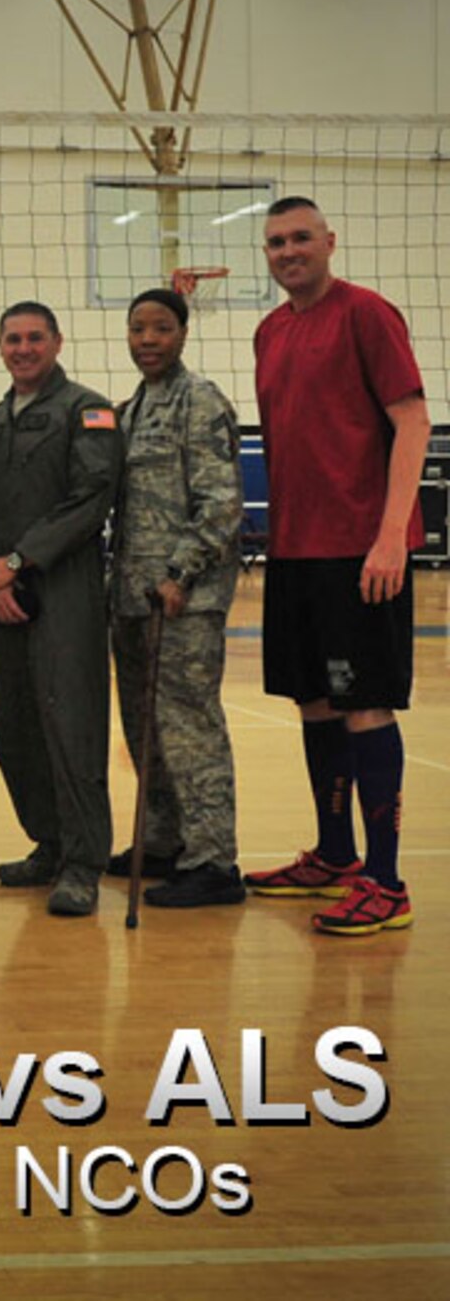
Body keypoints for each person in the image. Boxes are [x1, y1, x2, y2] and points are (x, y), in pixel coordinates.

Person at [242, 197, 428, 935]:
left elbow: (411, 418)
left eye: (300, 238)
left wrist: (391, 535)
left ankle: (386, 882)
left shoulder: (367, 314)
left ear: (329, 242)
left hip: (360, 549)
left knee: (364, 702)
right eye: (275, 242)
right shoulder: (269, 331)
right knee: (313, 699)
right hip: (294, 548)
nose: (288, 251)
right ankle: (335, 854)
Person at [0, 301, 122, 918]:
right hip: (3, 599)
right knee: (16, 727)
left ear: (56, 342)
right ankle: (48, 843)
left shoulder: (87, 411)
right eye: (12, 339)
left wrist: (20, 562)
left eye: (34, 338)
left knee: (70, 724)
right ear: (0, 348)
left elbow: (91, 500)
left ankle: (83, 861)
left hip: (65, 589)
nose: (23, 348)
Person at [108, 288, 245, 910]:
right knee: (146, 730)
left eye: (160, 328)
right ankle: (163, 842)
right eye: (138, 329)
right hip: (133, 598)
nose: (147, 340)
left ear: (183, 333)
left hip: (181, 600)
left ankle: (213, 859)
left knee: (189, 728)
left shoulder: (200, 403)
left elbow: (220, 506)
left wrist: (180, 572)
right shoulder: (133, 408)